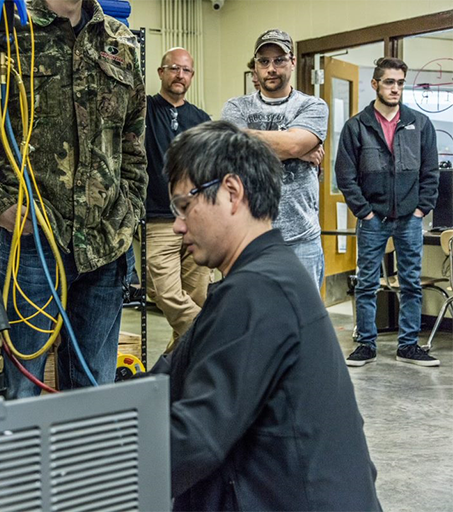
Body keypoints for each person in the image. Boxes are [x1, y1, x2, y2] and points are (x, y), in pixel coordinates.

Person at [150, 121, 381, 512]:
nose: (177, 225)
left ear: (232, 192)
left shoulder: (258, 289)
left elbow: (196, 438)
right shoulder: (269, 273)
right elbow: (173, 374)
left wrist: (78, 479)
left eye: (184, 206)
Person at [0, 0, 147, 397]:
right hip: (33, 241)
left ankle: (84, 461)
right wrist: (3, 202)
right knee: (22, 388)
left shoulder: (120, 41)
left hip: (106, 242)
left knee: (94, 388)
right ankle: (21, 460)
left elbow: (132, 136)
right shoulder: (12, 30)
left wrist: (130, 206)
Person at [336, 57, 440, 367]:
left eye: (399, 83)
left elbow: (430, 172)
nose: (395, 88)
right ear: (376, 84)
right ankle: (366, 343)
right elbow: (346, 176)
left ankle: (408, 345)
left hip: (410, 217)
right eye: (389, 82)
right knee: (367, 283)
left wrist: (422, 208)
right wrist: (364, 212)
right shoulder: (357, 126)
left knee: (410, 282)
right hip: (373, 219)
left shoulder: (419, 123)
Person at [222, 29, 328, 288]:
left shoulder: (312, 106)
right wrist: (298, 148)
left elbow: (291, 145)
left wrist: (291, 146)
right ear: (255, 66)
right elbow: (231, 148)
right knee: (252, 322)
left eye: (279, 60)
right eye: (264, 61)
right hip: (246, 239)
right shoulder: (236, 107)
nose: (271, 68)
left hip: (301, 241)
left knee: (303, 324)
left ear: (292, 62)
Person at [144, 47, 211, 349]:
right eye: (173, 68)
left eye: (186, 70)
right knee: (168, 295)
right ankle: (214, 336)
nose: (179, 75)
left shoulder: (201, 120)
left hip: (197, 221)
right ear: (161, 72)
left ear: (192, 76)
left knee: (198, 297)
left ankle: (175, 375)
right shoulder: (143, 111)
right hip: (158, 221)